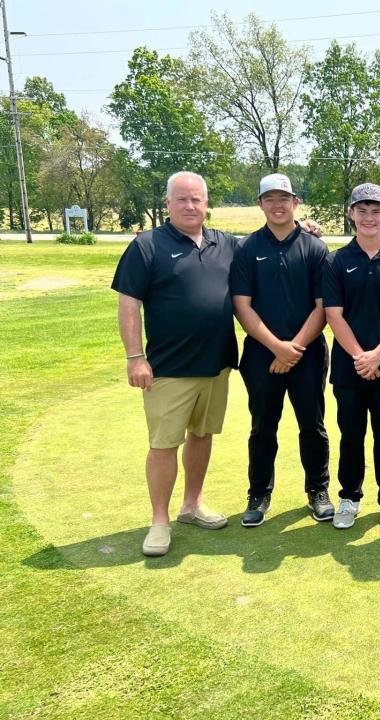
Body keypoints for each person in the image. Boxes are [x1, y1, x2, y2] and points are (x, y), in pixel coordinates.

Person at [112, 171, 235, 557]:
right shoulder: (147, 246)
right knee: (164, 445)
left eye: (197, 199)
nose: (190, 206)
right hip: (168, 368)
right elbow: (129, 303)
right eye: (182, 199)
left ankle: (191, 505)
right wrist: (135, 357)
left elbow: (270, 242)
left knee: (202, 436)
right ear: (168, 204)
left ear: (206, 203)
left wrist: (308, 228)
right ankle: (159, 521)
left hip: (216, 365)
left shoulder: (225, 243)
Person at [230, 173, 332, 527]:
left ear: (296, 203)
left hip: (308, 353)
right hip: (261, 353)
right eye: (269, 199)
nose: (277, 205)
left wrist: (294, 348)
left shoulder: (316, 248)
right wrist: (277, 347)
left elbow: (323, 307)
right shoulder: (246, 249)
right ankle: (258, 494)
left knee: (312, 425)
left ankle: (318, 490)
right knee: (262, 427)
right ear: (260, 204)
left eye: (283, 198)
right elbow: (242, 306)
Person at [323, 183, 380, 530]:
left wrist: (377, 355)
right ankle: (349, 497)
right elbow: (334, 315)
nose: (369, 217)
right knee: (351, 434)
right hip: (349, 368)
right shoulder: (336, 261)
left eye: (376, 211)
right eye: (362, 210)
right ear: (351, 213)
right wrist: (362, 357)